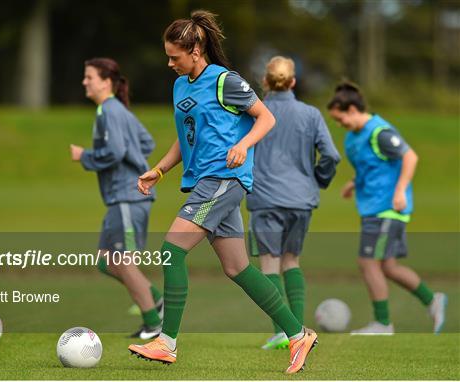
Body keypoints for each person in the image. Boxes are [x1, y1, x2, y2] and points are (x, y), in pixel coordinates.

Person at [128, 11, 318, 374]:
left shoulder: (225, 81)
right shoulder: (181, 85)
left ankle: (166, 342)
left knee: (171, 251)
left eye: (175, 56)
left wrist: (244, 145)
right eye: (168, 56)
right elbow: (187, 139)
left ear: (196, 50)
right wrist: (159, 170)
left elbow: (266, 117)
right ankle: (298, 335)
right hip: (205, 182)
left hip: (224, 180)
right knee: (237, 267)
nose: (169, 63)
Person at [327, 82, 447, 335]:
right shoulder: (352, 138)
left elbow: (410, 157)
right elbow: (370, 169)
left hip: (387, 208)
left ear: (351, 109)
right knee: (388, 267)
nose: (340, 124)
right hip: (372, 208)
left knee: (367, 262)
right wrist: (353, 184)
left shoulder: (379, 131)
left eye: (340, 119)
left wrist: (401, 189)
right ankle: (432, 300)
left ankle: (383, 324)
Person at [247, 56, 340, 350]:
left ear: (265, 81)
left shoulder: (252, 112)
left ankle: (284, 333)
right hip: (301, 199)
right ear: (293, 82)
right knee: (292, 261)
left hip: (265, 198)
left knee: (270, 264)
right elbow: (331, 156)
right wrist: (317, 180)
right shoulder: (311, 114)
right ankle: (299, 332)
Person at [70, 57, 164, 340]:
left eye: (89, 77)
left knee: (121, 261)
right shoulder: (116, 110)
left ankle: (154, 324)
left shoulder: (109, 111)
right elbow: (145, 142)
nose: (85, 82)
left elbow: (115, 151)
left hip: (127, 197)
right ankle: (157, 301)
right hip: (123, 198)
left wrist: (84, 156)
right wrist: (135, 157)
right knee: (106, 261)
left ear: (106, 82)